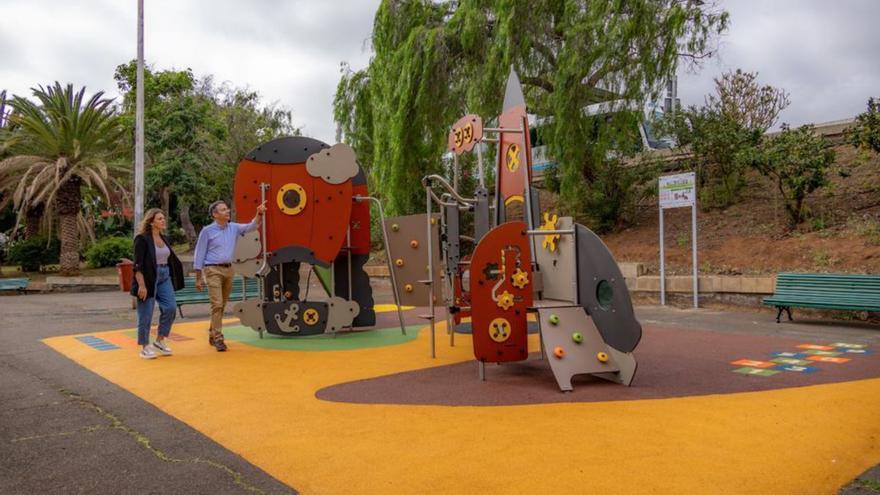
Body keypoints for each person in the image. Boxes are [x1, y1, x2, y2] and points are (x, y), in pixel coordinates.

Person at [193, 199, 266, 351]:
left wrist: (259, 213)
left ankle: (213, 333)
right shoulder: (207, 231)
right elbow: (199, 254)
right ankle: (219, 338)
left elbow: (251, 226)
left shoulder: (233, 227)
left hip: (229, 269)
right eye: (223, 209)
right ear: (215, 214)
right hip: (212, 269)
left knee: (221, 305)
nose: (227, 211)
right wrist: (198, 277)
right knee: (217, 304)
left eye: (227, 209)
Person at [131, 208, 185, 359]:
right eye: (160, 219)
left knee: (170, 307)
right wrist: (141, 285)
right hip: (148, 277)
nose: (163, 221)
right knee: (146, 313)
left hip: (164, 275)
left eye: (163, 218)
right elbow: (137, 265)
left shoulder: (164, 237)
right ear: (151, 221)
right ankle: (144, 346)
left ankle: (160, 340)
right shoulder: (142, 239)